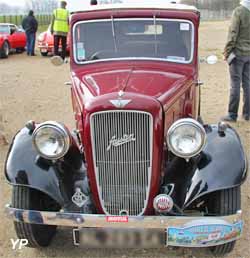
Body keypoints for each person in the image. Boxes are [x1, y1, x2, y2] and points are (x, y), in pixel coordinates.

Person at [222, 0, 250, 122]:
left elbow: (233, 33)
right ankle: (247, 114)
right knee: (247, 84)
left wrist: (227, 51)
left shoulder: (239, 11)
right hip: (249, 54)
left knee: (235, 85)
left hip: (238, 53)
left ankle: (232, 114)